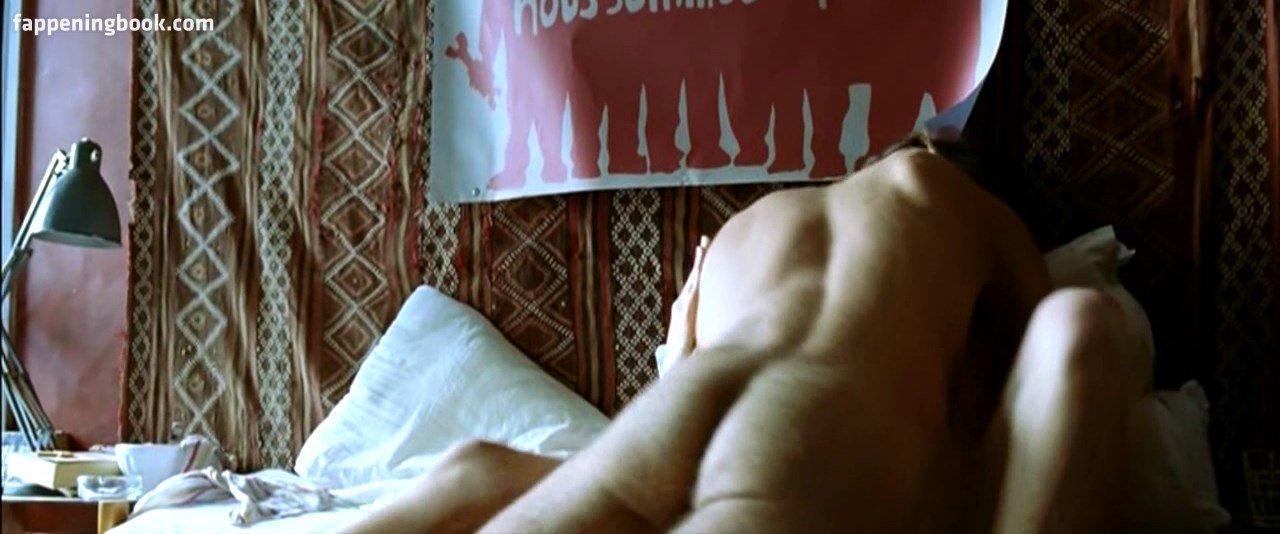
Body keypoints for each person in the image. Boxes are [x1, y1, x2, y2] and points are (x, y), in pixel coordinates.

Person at [340, 134, 1146, 533]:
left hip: (655, 434)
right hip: (804, 443)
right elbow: (1042, 355)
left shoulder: (753, 224)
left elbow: (691, 363)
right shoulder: (941, 186)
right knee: (1084, 324)